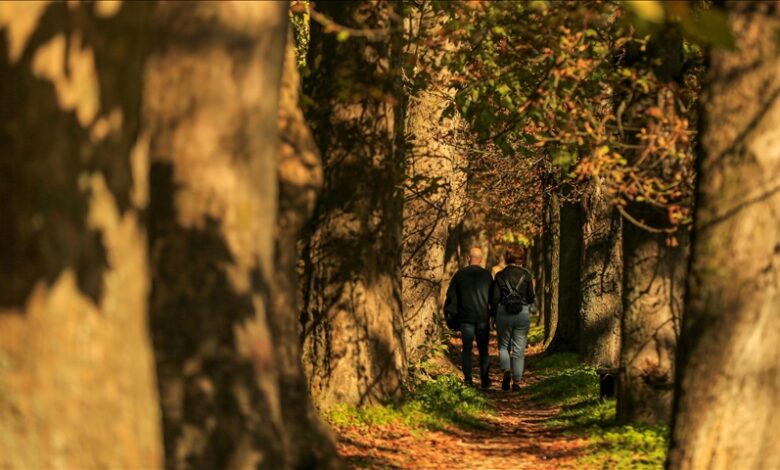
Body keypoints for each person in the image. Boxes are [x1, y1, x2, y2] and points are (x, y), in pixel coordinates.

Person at [444, 247, 493, 388]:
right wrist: (492, 313)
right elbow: (493, 296)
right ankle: (485, 379)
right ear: (481, 259)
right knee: (484, 350)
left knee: (466, 350)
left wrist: (450, 316)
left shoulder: (460, 275)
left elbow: (451, 296)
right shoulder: (486, 275)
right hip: (482, 318)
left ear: (468, 258)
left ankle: (468, 380)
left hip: (466, 318)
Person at [490, 245, 535, 391]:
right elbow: (531, 297)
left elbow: (495, 298)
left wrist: (492, 316)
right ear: (521, 258)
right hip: (521, 313)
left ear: (508, 257)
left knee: (503, 347)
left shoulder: (500, 275)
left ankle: (506, 370)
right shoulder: (527, 275)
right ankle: (516, 382)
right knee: (519, 350)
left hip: (503, 312)